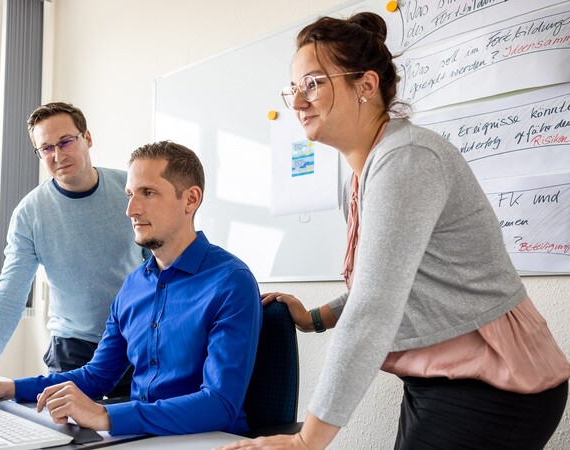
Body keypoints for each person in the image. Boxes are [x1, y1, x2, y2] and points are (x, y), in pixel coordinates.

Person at [221, 12, 570, 450]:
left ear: (366, 85)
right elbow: (389, 280)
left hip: (498, 381)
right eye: (294, 88)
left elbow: (375, 305)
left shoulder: (406, 159)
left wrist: (306, 441)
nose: (297, 102)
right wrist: (316, 318)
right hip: (446, 377)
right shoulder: (367, 171)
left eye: (312, 83)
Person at [0, 141, 263, 435]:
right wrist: (6, 388)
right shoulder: (134, 286)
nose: (131, 210)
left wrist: (107, 417)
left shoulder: (230, 281)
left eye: (148, 193)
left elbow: (220, 405)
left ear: (190, 199)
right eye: (130, 194)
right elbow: (96, 377)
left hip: (205, 440)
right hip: (140, 437)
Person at [0, 102, 148, 398]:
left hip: (135, 342)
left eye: (66, 141)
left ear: (87, 138)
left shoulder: (129, 191)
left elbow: (157, 267)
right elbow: (10, 294)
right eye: (46, 148)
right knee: (70, 440)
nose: (58, 155)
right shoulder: (30, 213)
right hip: (72, 348)